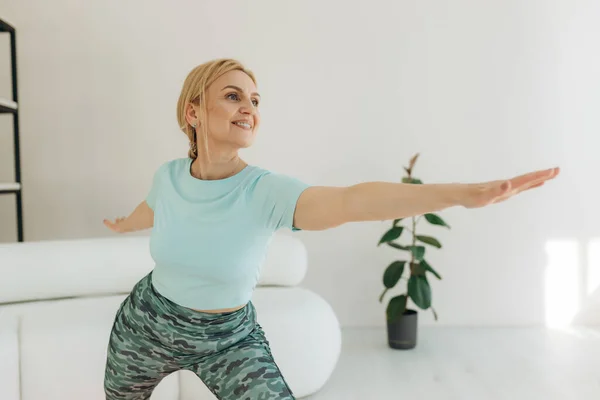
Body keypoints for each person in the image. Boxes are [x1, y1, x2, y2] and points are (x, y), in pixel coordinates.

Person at [102, 58, 560, 400]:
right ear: (193, 112)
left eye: (255, 100)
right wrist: (125, 223)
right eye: (233, 95)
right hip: (145, 323)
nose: (249, 108)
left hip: (228, 339)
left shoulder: (264, 191)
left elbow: (351, 201)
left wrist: (460, 193)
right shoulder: (168, 177)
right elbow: (153, 209)